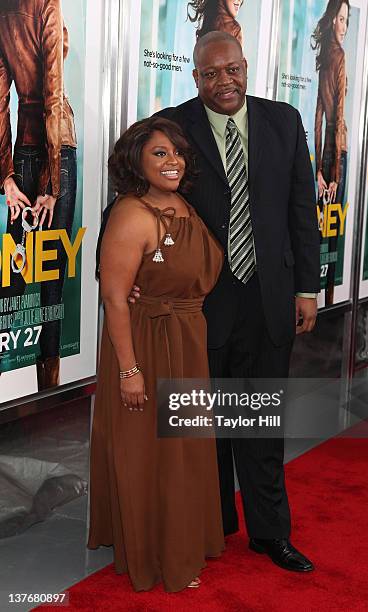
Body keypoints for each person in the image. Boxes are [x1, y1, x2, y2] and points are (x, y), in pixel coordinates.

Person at [130, 32, 320, 572]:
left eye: (232, 70)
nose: (225, 82)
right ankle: (211, 526)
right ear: (195, 78)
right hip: (200, 303)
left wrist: (307, 289)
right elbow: (131, 189)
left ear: (245, 67)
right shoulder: (173, 126)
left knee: (260, 420)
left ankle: (270, 533)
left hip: (269, 298)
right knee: (201, 427)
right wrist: (125, 268)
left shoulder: (283, 120)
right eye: (211, 74)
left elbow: (301, 212)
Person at [88, 116, 225, 592]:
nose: (172, 162)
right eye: (159, 154)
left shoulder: (183, 203)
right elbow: (113, 299)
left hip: (186, 341)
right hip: (147, 345)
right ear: (135, 162)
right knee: (152, 454)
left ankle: (180, 539)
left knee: (182, 453)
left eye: (176, 153)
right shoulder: (132, 213)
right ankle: (155, 553)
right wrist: (130, 371)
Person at [0, 0, 77, 388]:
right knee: (52, 282)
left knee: (12, 275)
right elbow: (53, 92)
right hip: (54, 149)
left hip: (23, 152)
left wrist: (7, 177)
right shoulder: (46, 3)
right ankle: (48, 393)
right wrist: (52, 182)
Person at [311, 0, 350, 305]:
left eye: (346, 20)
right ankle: (328, 299)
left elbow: (318, 116)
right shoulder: (340, 57)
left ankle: (315, 296)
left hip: (326, 155)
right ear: (331, 21)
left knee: (319, 227)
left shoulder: (326, 56)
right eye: (340, 19)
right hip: (337, 153)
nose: (343, 26)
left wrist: (319, 170)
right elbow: (336, 117)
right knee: (332, 233)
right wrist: (334, 171)